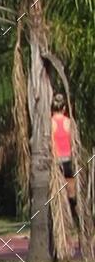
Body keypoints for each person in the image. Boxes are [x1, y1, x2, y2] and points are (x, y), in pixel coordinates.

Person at [51, 93, 78, 227]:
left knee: (58, 192)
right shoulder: (69, 123)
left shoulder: (50, 123)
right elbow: (74, 143)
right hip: (68, 160)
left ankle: (62, 221)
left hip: (56, 161)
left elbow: (50, 144)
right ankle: (72, 217)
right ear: (64, 108)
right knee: (71, 191)